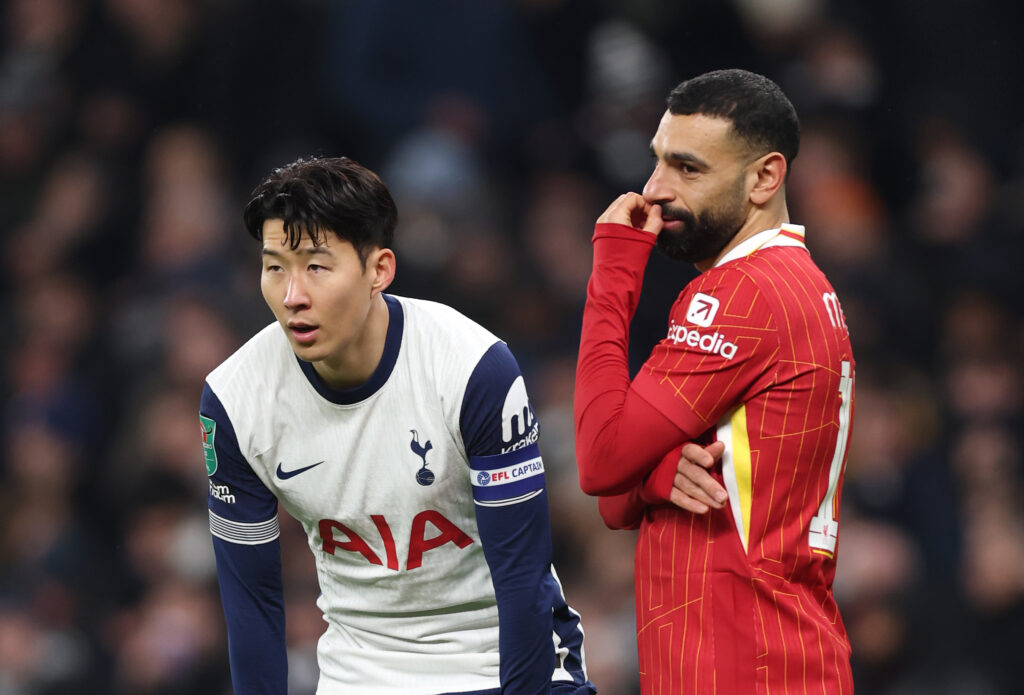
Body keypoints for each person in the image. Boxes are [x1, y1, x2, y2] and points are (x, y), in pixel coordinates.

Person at [200, 156, 596, 695]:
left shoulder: (471, 368)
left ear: (379, 270)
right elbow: (252, 604)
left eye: (316, 266)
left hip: (499, 661)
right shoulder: (235, 399)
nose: (293, 295)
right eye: (275, 267)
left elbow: (522, 578)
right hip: (362, 675)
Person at [573, 69, 855, 693]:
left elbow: (596, 461)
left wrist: (613, 274)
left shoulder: (743, 293)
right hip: (766, 652)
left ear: (765, 177)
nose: (655, 191)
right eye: (657, 163)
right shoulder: (789, 283)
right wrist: (650, 475)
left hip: (745, 661)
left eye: (688, 169)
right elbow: (615, 496)